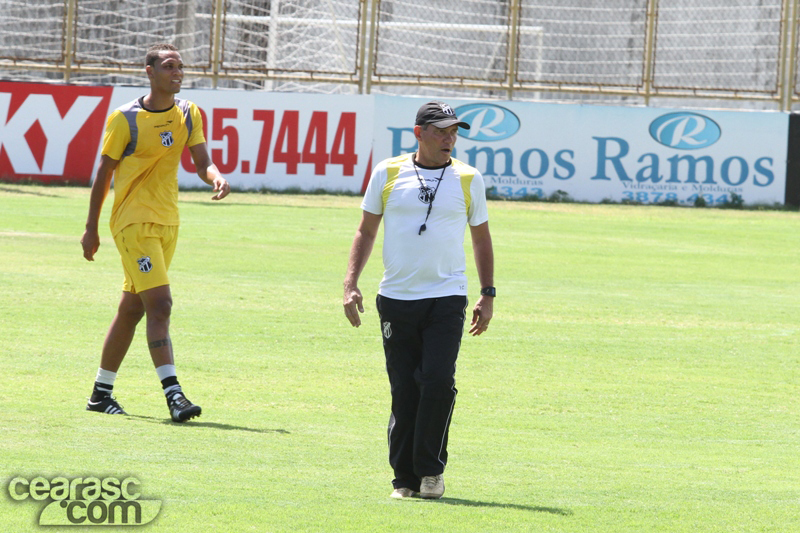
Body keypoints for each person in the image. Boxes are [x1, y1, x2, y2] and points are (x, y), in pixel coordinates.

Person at [343, 101, 495, 499]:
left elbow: (481, 237)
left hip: (447, 296)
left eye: (454, 131)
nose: (449, 138)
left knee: (438, 381)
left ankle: (430, 472)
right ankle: (404, 480)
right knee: (404, 389)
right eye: (441, 130)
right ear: (419, 133)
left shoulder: (468, 178)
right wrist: (351, 282)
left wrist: (487, 292)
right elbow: (366, 231)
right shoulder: (388, 171)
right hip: (395, 298)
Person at [80, 43, 230, 422]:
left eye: (180, 66)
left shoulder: (189, 114)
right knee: (160, 305)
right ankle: (174, 395)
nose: (177, 72)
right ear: (149, 72)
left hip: (168, 223)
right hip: (131, 223)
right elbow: (103, 174)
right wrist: (91, 228)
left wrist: (216, 177)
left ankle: (100, 393)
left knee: (133, 308)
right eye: (168, 66)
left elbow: (202, 162)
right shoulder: (125, 118)